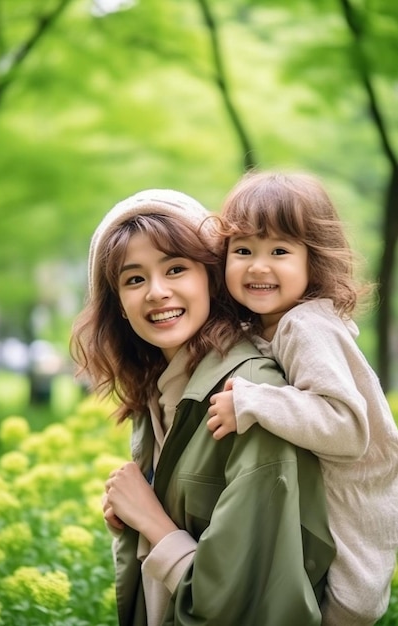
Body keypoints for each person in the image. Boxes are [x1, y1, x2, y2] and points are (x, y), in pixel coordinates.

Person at [70, 188, 335, 626]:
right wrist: (138, 518)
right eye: (134, 279)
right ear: (118, 305)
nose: (157, 292)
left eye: (176, 268)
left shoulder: (250, 397)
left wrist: (153, 522)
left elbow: (252, 607)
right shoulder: (158, 396)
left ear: (211, 277)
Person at [206, 170, 398, 626]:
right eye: (243, 251)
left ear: (315, 260)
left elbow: (348, 429)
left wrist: (255, 402)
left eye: (279, 251)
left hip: (348, 542)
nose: (258, 266)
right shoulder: (272, 324)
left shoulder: (305, 326)